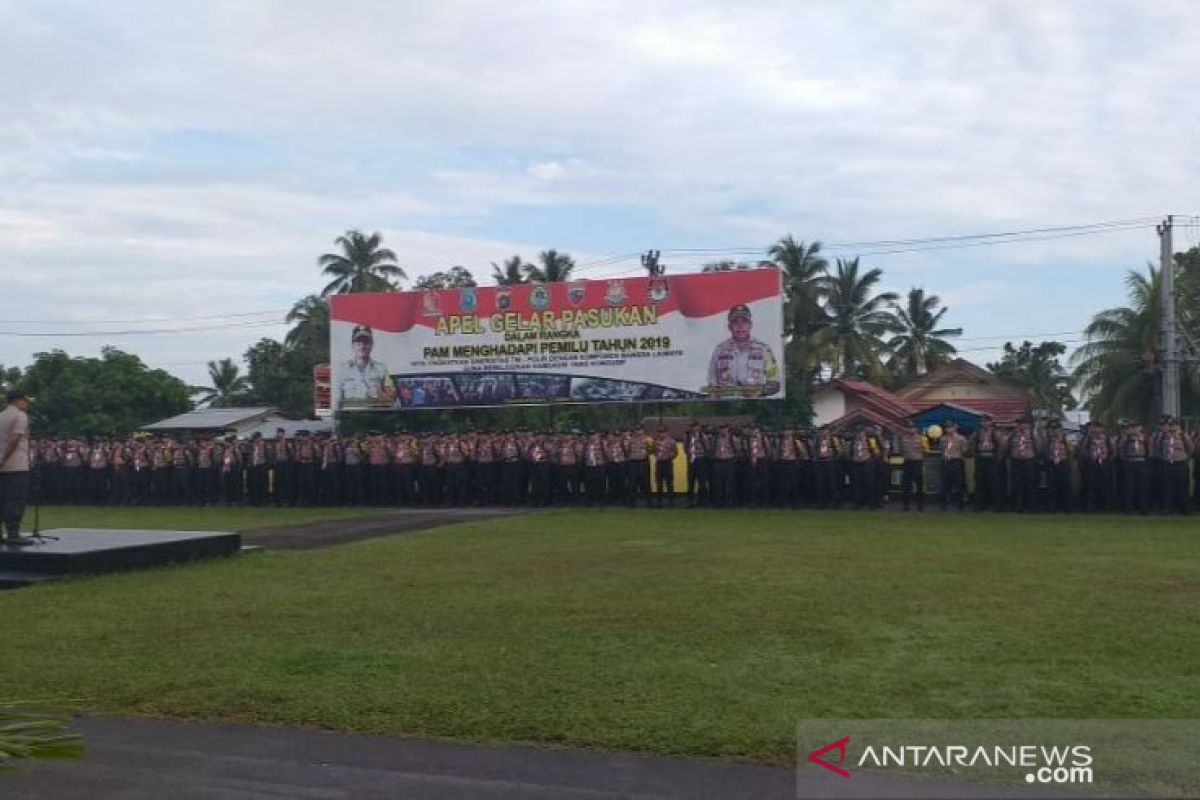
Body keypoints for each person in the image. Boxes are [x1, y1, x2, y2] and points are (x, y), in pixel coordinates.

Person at [704, 305, 780, 397]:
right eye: (735, 322)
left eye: (744, 322)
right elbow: (712, 383)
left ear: (750, 325)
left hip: (755, 404)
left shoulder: (764, 349)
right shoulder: (720, 350)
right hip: (726, 405)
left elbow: (775, 383)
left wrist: (760, 391)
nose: (740, 326)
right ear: (729, 326)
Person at [0, 389, 33, 544]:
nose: (27, 403)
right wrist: (4, 458)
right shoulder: (20, 416)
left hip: (2, 469)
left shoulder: (1, 416)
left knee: (2, 499)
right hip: (15, 466)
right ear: (18, 400)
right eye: (26, 400)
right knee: (15, 500)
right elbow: (15, 439)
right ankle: (13, 533)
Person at [339, 325, 393, 406]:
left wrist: (380, 394)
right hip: (351, 417)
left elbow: (392, 401)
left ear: (372, 345)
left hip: (374, 417)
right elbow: (336, 402)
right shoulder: (342, 370)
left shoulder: (382, 369)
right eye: (358, 343)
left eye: (366, 343)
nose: (362, 347)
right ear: (352, 345)